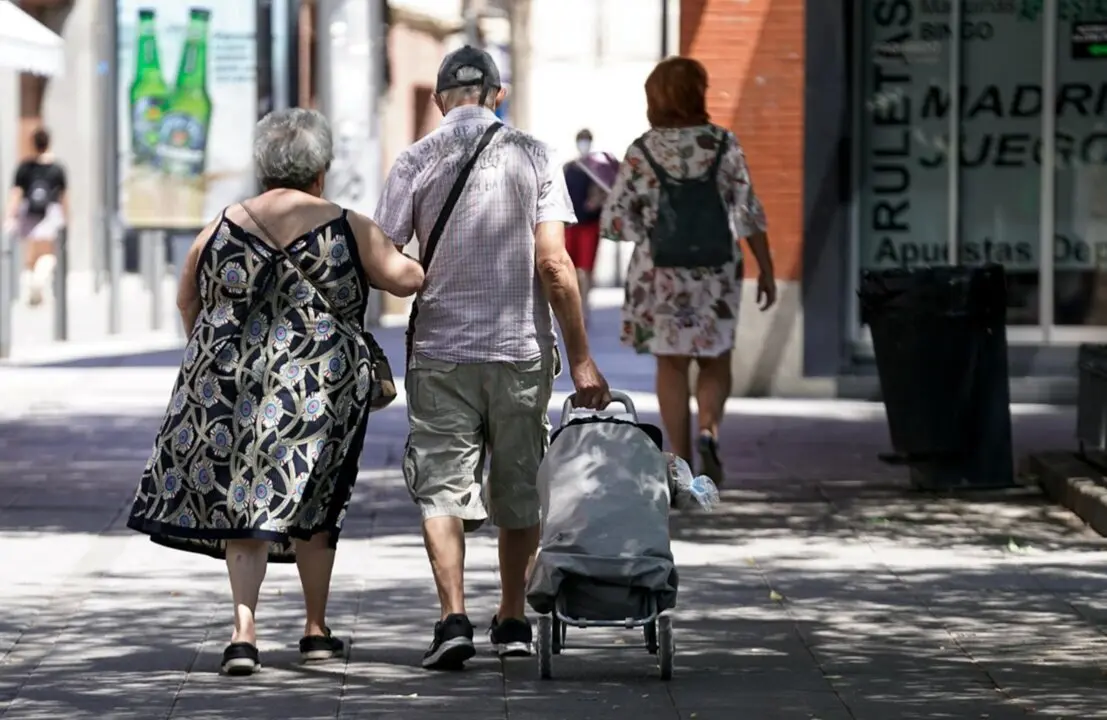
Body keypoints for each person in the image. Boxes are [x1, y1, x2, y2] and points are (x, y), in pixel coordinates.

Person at [126, 108, 424, 676]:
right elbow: (405, 278)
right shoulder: (346, 224)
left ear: (263, 167)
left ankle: (243, 634)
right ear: (321, 170)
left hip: (233, 383)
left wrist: (211, 352)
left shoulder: (222, 224)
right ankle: (315, 630)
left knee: (245, 504)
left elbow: (188, 296)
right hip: (321, 389)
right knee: (318, 501)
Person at [373, 46, 611, 671]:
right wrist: (582, 359)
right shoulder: (534, 156)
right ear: (497, 96)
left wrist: (417, 279)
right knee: (519, 486)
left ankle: (452, 617)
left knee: (441, 489)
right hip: (519, 351)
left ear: (438, 100)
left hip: (441, 353)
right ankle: (511, 619)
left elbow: (387, 258)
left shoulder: (413, 160)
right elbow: (555, 264)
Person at [601, 57, 776, 486]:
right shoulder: (723, 144)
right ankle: (709, 432)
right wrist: (767, 270)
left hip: (661, 274)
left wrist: (648, 227)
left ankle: (679, 463)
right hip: (716, 270)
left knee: (672, 364)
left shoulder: (643, 152)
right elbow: (748, 212)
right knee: (715, 359)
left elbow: (614, 222)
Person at [2, 128, 67, 306]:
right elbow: (63, 197)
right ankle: (38, 281)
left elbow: (16, 193)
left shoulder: (24, 168)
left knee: (31, 253)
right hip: (50, 212)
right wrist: (66, 218)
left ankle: (32, 283)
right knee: (48, 252)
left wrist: (9, 216)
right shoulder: (56, 169)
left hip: (28, 212)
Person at [562, 130, 617, 322]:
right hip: (571, 225)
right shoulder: (569, 167)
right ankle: (575, 305)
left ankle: (583, 307)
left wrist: (597, 201)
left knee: (585, 269)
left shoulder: (597, 168)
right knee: (571, 268)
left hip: (590, 225)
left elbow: (609, 190)